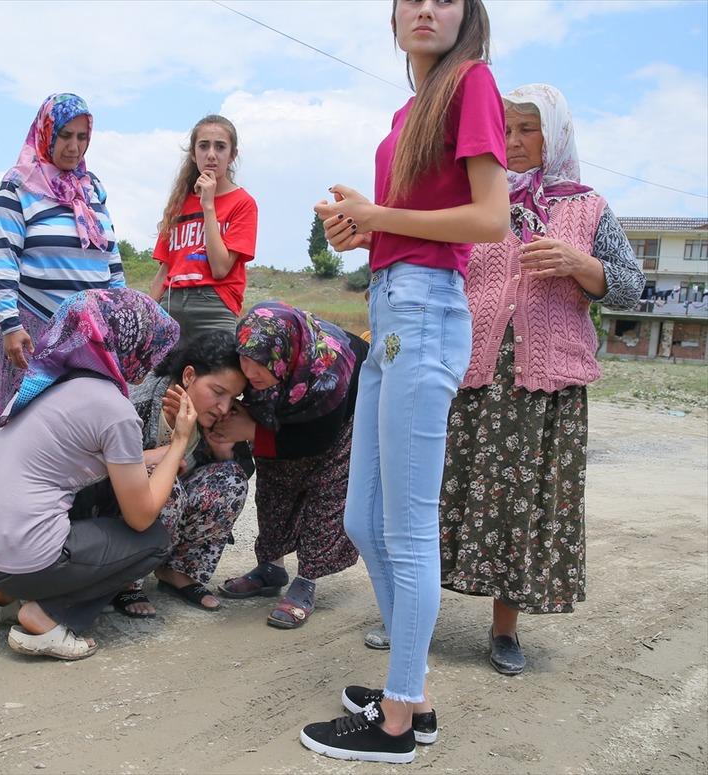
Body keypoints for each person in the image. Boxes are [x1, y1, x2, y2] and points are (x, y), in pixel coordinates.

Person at [301, 0, 509, 764]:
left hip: (425, 311)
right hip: (390, 305)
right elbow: (416, 216)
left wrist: (381, 213)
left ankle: (398, 717)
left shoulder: (471, 84)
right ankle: (409, 684)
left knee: (409, 527)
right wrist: (361, 227)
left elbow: (491, 218)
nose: (427, 6)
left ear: (467, 12)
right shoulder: (412, 109)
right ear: (392, 17)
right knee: (362, 518)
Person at [438, 83, 645, 676]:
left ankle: (505, 630)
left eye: (528, 128)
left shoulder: (588, 207)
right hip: (470, 374)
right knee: (440, 496)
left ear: (554, 134)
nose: (514, 140)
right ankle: (413, 616)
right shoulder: (481, 200)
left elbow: (632, 289)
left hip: (545, 383)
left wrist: (583, 266)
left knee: (523, 506)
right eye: (505, 128)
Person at [0, 288, 191, 661]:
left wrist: (156, 455)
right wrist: (179, 441)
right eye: (150, 352)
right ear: (130, 343)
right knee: (154, 540)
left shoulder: (44, 381)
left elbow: (74, 453)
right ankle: (48, 616)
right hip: (18, 559)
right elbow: (141, 514)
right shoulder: (113, 408)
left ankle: (0, 596)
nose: (150, 364)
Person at [0, 93, 125, 475]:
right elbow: (3, 257)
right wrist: (10, 324)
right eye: (65, 136)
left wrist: (122, 318)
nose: (74, 147)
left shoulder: (92, 189)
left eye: (82, 137)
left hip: (87, 333)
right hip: (34, 328)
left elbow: (111, 257)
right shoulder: (19, 184)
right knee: (14, 426)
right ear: (45, 134)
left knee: (72, 434)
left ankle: (57, 524)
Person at [210, 302, 368, 628]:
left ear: (284, 355)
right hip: (287, 409)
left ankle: (307, 581)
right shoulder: (255, 361)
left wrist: (253, 431)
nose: (251, 372)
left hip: (342, 419)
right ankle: (270, 568)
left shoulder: (329, 373)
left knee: (327, 492)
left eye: (260, 364)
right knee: (272, 487)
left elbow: (316, 442)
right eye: (245, 360)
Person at [83, 330, 252, 616]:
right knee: (164, 485)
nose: (224, 407)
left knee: (231, 480)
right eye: (218, 392)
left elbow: (243, 470)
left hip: (170, 506)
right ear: (189, 376)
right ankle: (123, 580)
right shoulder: (139, 401)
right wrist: (169, 447)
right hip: (115, 507)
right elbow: (96, 467)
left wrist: (222, 450)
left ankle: (176, 571)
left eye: (233, 397)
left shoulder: (217, 415)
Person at [151, 115, 258, 344]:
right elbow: (164, 271)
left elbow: (220, 268)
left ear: (232, 155)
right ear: (193, 153)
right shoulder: (178, 203)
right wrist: (148, 318)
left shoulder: (242, 203)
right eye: (203, 146)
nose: (211, 154)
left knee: (211, 379)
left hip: (214, 307)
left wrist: (208, 207)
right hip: (172, 304)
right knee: (160, 380)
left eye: (220, 147)